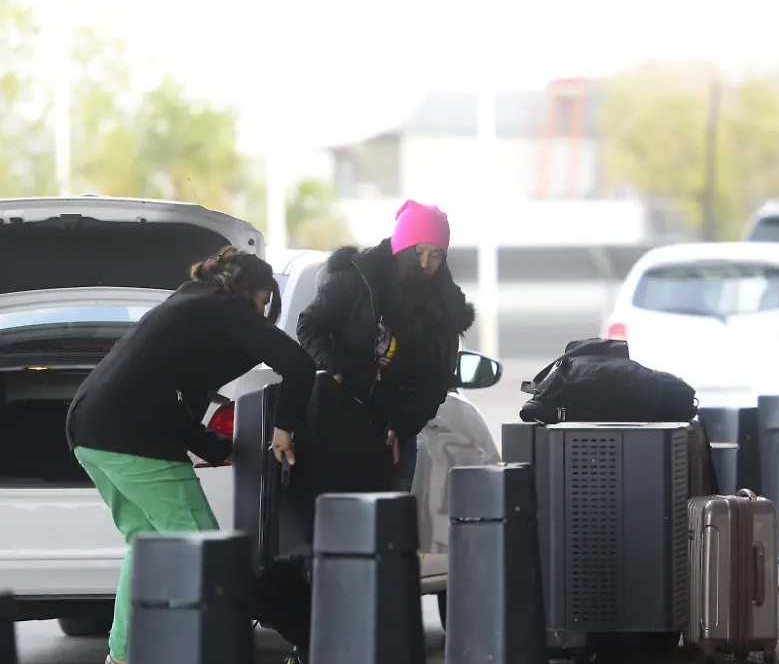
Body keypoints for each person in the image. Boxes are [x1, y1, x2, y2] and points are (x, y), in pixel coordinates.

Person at [65, 248, 317, 664]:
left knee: (147, 545)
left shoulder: (186, 302)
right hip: (132, 435)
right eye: (263, 302)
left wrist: (209, 444)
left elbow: (165, 386)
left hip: (88, 428)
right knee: (204, 555)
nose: (261, 312)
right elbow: (299, 364)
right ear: (253, 293)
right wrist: (283, 428)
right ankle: (185, 651)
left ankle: (123, 657)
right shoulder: (230, 308)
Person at [296, 199, 476, 490]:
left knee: (389, 523)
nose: (425, 264)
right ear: (401, 247)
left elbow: (436, 381)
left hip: (393, 430)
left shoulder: (445, 305)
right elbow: (310, 324)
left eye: (436, 255)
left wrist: (401, 426)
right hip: (340, 421)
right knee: (337, 519)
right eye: (418, 252)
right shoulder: (360, 276)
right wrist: (332, 368)